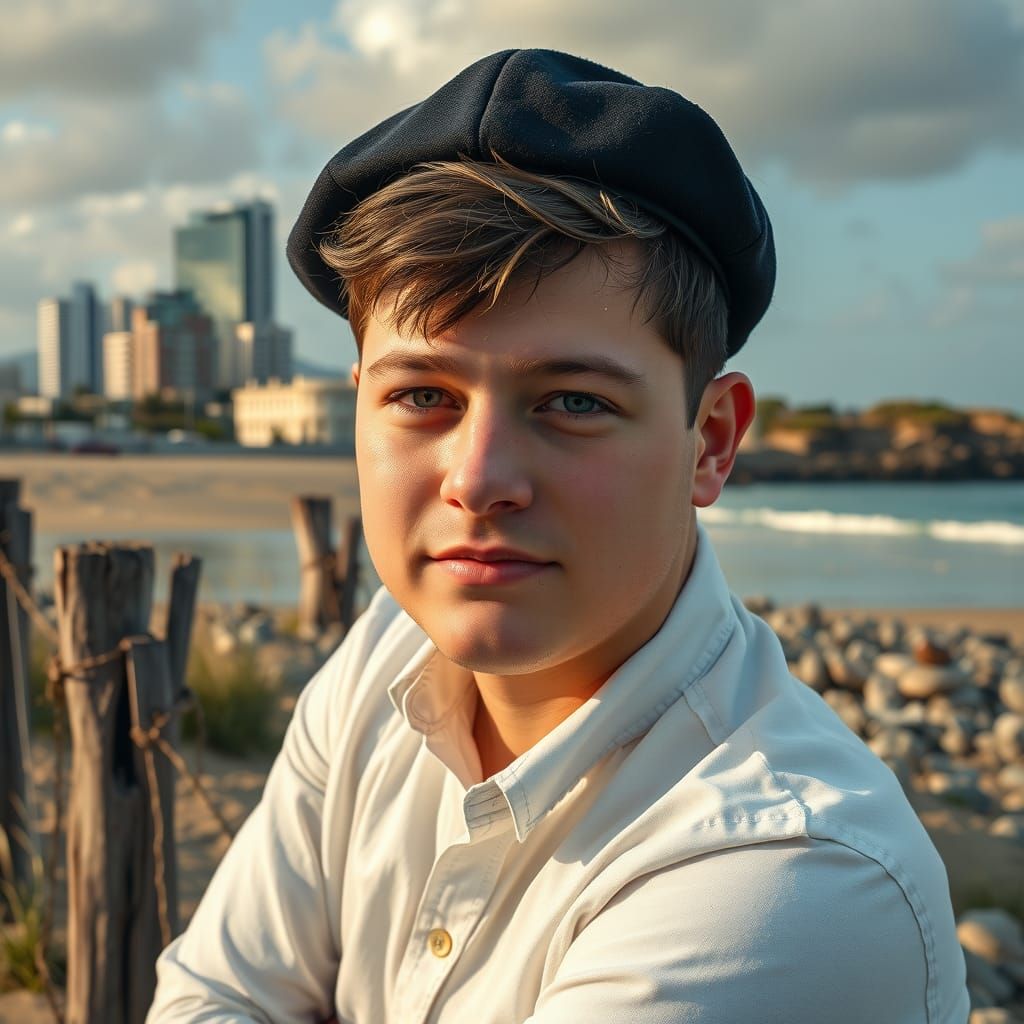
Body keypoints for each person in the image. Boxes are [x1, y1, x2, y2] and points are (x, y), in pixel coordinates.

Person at [148, 49, 969, 1023]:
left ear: (710, 441)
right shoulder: (385, 657)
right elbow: (207, 993)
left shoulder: (790, 877)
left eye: (574, 401)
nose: (479, 480)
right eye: (422, 396)